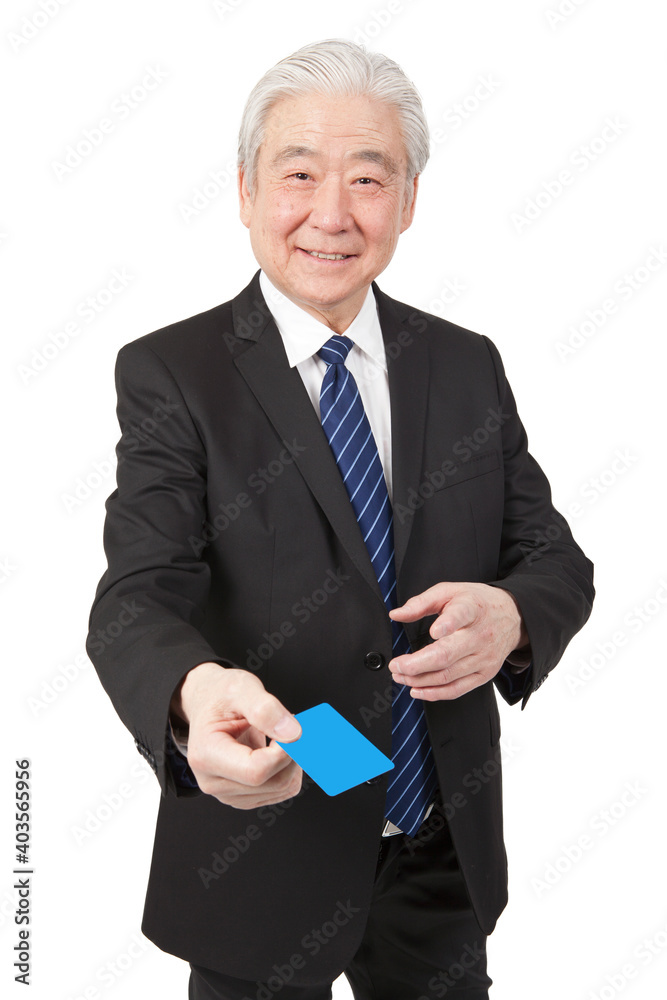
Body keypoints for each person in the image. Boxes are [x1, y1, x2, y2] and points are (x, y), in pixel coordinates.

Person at [86, 38, 594, 1000]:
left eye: (368, 178)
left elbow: (550, 554)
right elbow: (138, 593)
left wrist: (514, 614)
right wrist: (194, 696)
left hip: (439, 850)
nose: (331, 213)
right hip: (264, 844)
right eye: (299, 174)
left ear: (406, 202)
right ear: (244, 190)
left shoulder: (463, 364)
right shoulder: (173, 375)